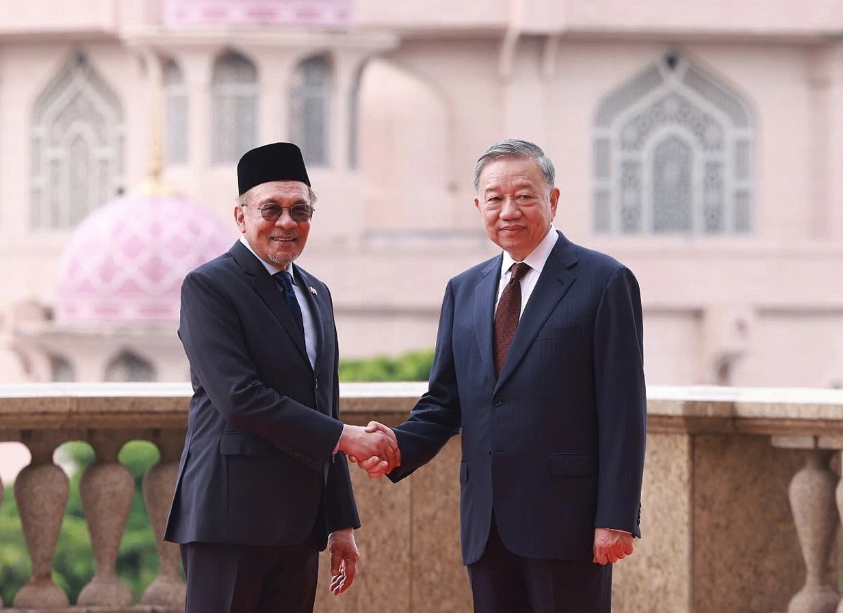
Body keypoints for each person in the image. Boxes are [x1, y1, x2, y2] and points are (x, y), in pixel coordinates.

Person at [355, 139, 646, 613]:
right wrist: (397, 445)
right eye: (495, 198)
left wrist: (615, 517)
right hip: (486, 526)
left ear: (553, 200)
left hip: (568, 524)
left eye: (525, 196)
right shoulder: (464, 289)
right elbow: (444, 402)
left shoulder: (604, 281)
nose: (508, 210)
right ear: (478, 206)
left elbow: (624, 411)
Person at [164, 142, 400, 613]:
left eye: (300, 210)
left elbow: (323, 406)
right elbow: (240, 398)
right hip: (228, 520)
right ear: (241, 216)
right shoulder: (210, 287)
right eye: (271, 208)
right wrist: (348, 437)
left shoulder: (316, 293)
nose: (287, 222)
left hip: (298, 524)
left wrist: (340, 524)